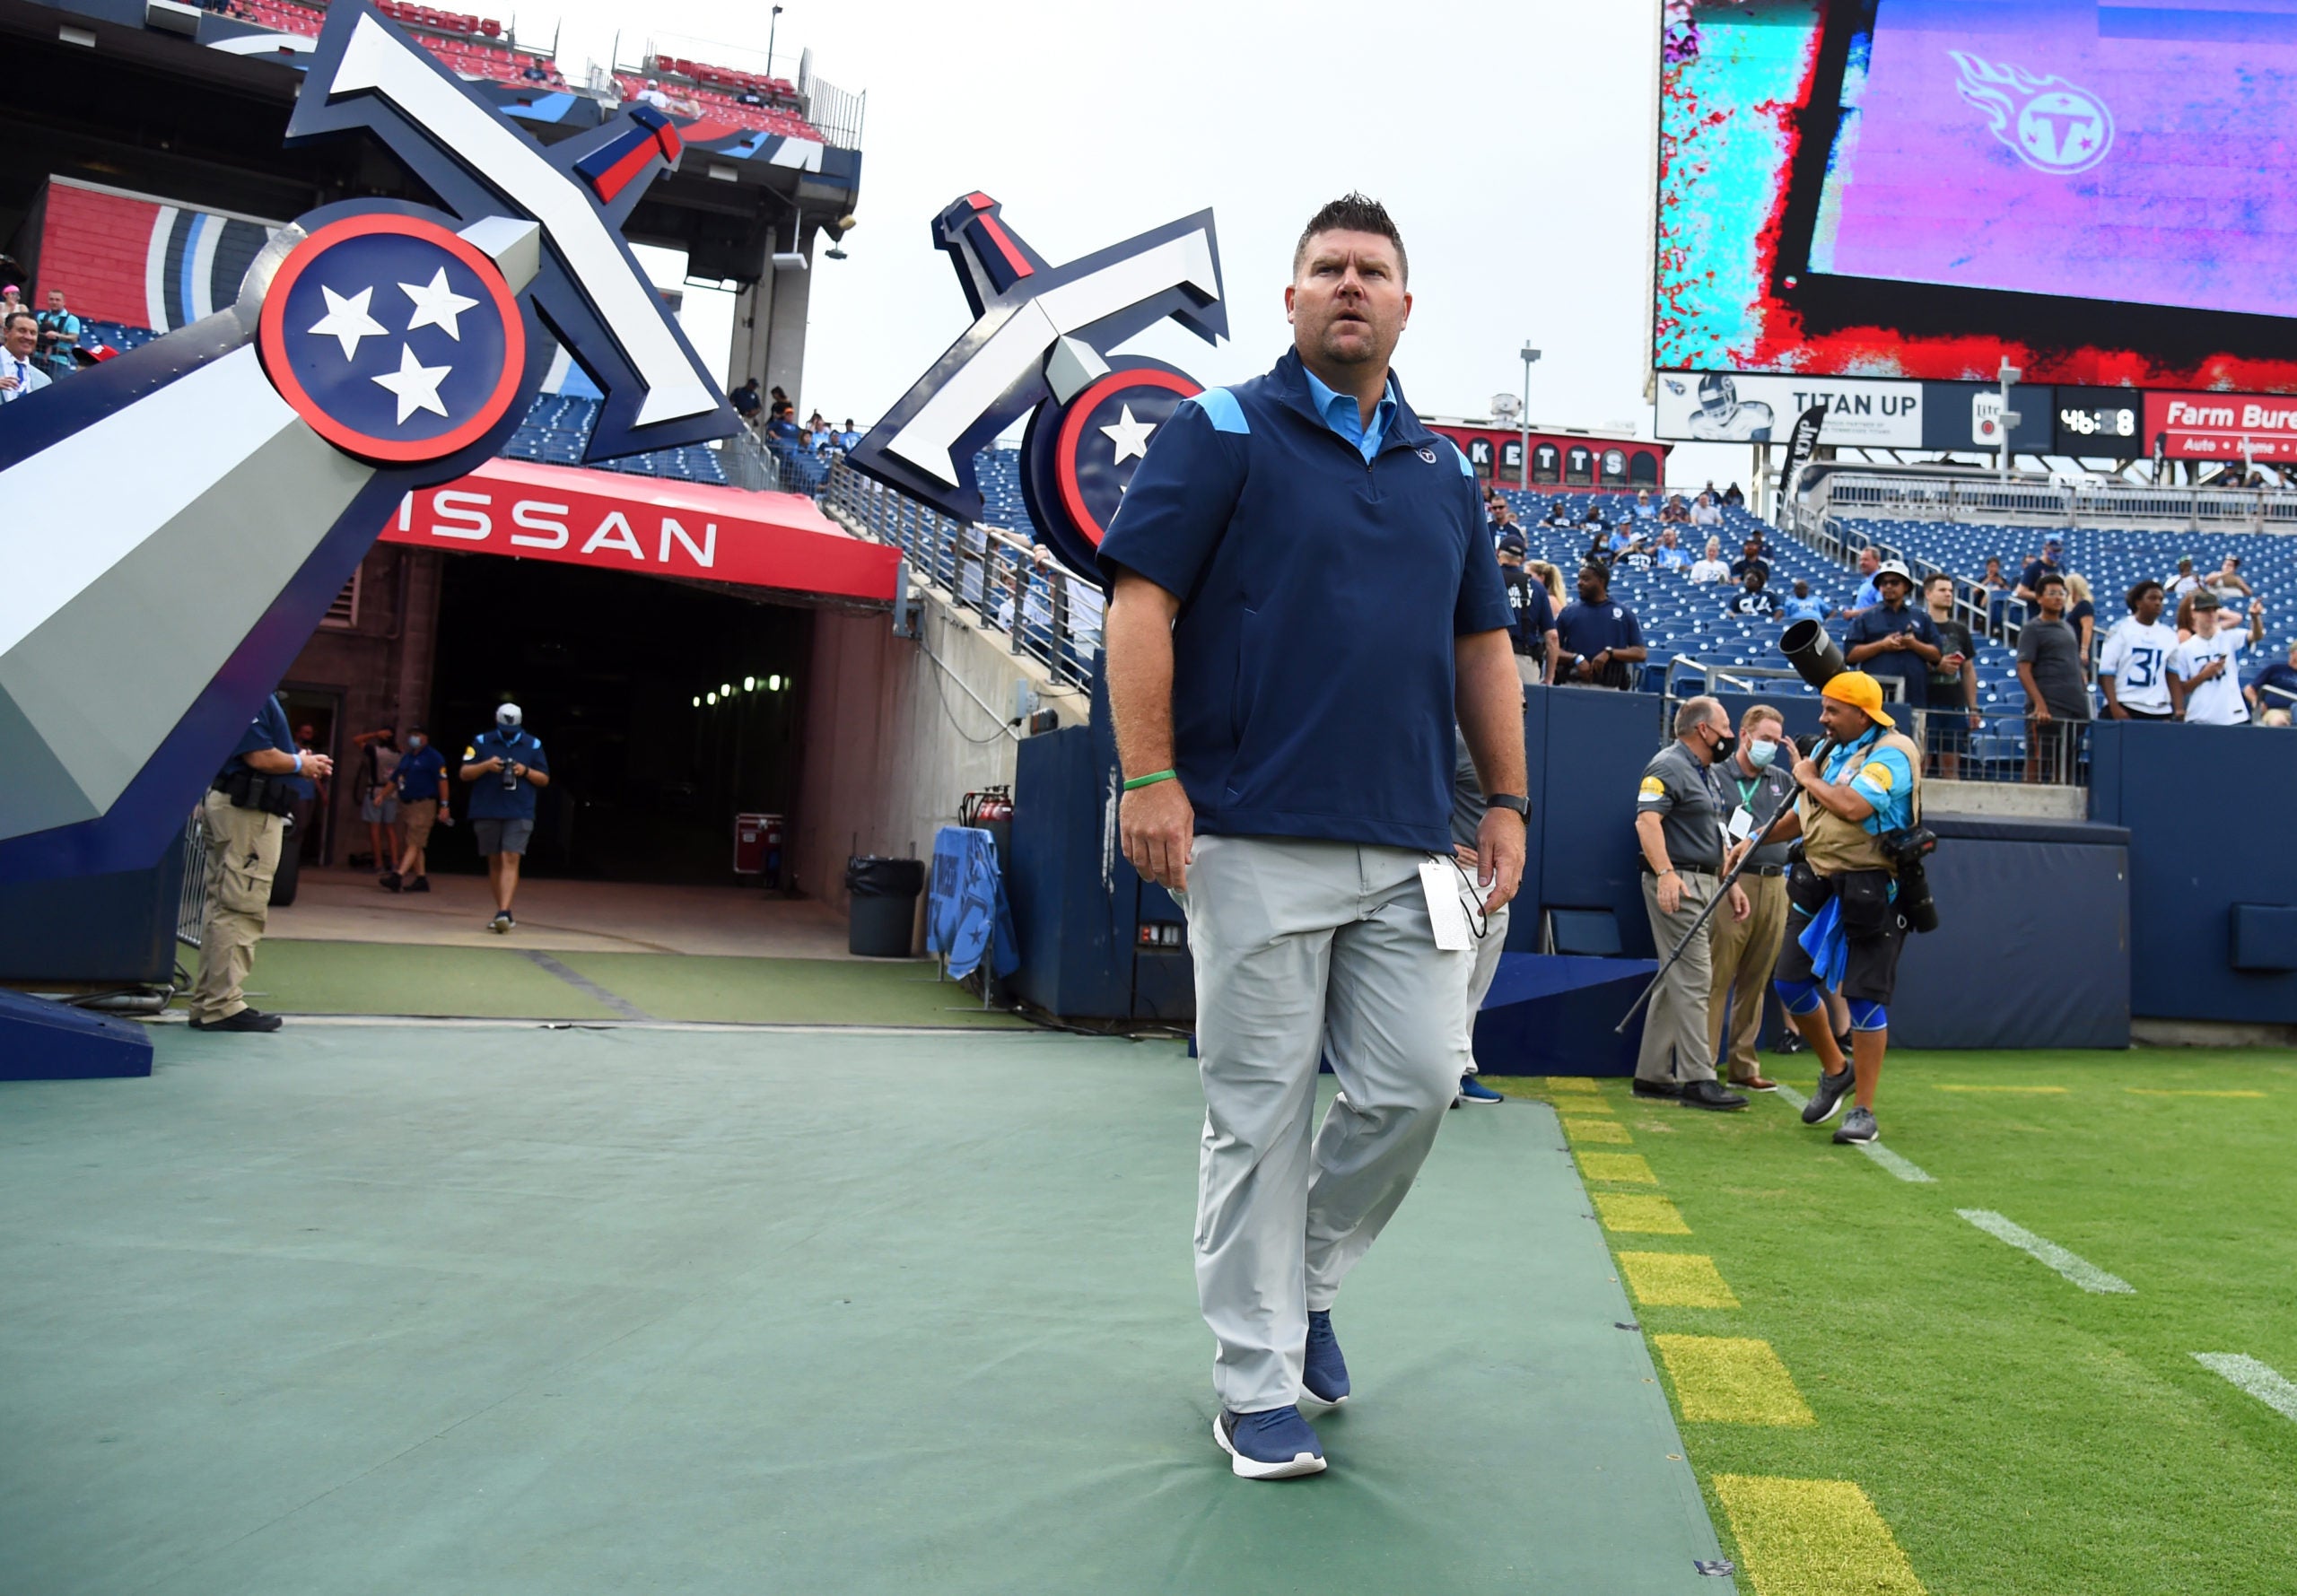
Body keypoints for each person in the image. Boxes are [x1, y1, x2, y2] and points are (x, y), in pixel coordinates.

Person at [1097, 192, 1526, 1483]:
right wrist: (1150, 775)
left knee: (1414, 1083)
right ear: (1291, 299)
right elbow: (1141, 601)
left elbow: (1483, 646)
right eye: (1327, 267)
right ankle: (1252, 1380)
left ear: (1405, 303)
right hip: (1251, 835)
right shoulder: (1218, 427)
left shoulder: (1444, 467)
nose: (1351, 284)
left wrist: (1505, 799)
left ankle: (1310, 1283)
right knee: (1257, 1115)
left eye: (1373, 269)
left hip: (1407, 843)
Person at [1729, 671, 1921, 1147]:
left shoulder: (1892, 752)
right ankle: (1836, 1070)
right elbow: (1804, 815)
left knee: (1863, 999)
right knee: (1789, 982)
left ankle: (1864, 1110)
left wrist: (1809, 777)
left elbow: (1853, 806)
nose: (1823, 718)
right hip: (1819, 883)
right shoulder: (1830, 751)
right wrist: (1753, 840)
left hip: (1875, 889)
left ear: (1862, 714)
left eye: (1832, 710)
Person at [1631, 695, 1750, 1112]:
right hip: (1679, 879)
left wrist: (1727, 881)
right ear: (1703, 730)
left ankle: (1653, 1073)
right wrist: (1665, 873)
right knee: (1696, 977)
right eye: (1726, 727)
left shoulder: (1707, 772)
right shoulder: (1668, 765)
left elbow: (1715, 831)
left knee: (1675, 977)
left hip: (1703, 878)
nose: (1730, 736)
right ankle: (1699, 1077)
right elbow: (1647, 821)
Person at [190, 692, 332, 1032]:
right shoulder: (251, 693)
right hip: (246, 812)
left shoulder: (246, 691)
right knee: (240, 905)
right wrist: (301, 764)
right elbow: (259, 757)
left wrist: (294, 760)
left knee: (223, 903)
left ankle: (209, 1000)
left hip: (236, 806)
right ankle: (222, 1004)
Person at [1705, 705, 1797, 1094]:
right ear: (1744, 736)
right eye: (1765, 740)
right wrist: (1727, 875)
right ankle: (1702, 1064)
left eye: (1776, 741)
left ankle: (1744, 1064)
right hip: (1732, 880)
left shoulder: (1782, 779)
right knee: (1718, 976)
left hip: (1776, 884)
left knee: (1756, 979)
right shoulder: (1717, 774)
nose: (1771, 748)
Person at [1451, 727, 1513, 1108]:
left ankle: (1461, 1071)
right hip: (1451, 876)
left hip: (1492, 879)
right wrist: (1439, 840)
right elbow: (1417, 794)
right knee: (1451, 977)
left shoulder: (1506, 750)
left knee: (1475, 983)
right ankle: (1442, 1074)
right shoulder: (1455, 740)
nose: (1517, 708)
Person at [460, 702, 551, 931]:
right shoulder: (481, 741)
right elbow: (464, 772)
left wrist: (526, 771)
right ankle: (501, 908)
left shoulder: (533, 744)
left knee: (511, 856)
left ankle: (504, 911)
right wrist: (486, 766)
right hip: (487, 808)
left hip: (519, 809)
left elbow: (545, 779)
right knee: (494, 860)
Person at [2016, 573, 2091, 779]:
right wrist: (2040, 705)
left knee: (2064, 765)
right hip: (2047, 710)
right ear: (2039, 598)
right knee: (2037, 763)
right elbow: (2023, 669)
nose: (2058, 598)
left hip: (2073, 709)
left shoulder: (2067, 627)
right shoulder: (2033, 629)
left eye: (2061, 593)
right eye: (2052, 593)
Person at [1845, 559, 1942, 717]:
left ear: (1906, 586)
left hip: (1914, 699)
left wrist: (1914, 645)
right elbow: (1850, 655)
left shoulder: (1921, 618)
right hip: (1875, 701)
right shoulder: (1866, 618)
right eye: (1884, 583)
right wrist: (1882, 645)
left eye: (1894, 582)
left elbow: (1937, 654)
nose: (1888, 586)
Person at [2172, 590, 2266, 727]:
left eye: (2214, 610)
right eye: (2205, 610)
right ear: (2194, 614)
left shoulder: (2230, 638)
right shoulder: (2185, 649)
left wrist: (2255, 618)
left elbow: (2256, 636)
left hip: (2233, 715)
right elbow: (2181, 689)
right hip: (2200, 716)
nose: (2210, 614)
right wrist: (2204, 675)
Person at [1921, 573, 1979, 777]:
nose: (1948, 595)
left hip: (1953, 705)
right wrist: (1937, 666)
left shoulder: (1960, 630)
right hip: (1924, 703)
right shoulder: (1919, 626)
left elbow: (1969, 670)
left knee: (1951, 763)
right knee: (1921, 761)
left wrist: (1973, 708)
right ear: (1928, 594)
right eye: (1942, 590)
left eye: (1950, 591)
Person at [2099, 580, 2180, 722]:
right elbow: (2106, 672)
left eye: (2161, 599)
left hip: (2158, 709)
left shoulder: (2169, 635)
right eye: (2152, 598)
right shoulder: (2120, 629)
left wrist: (2179, 708)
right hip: (2126, 704)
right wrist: (2114, 707)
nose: (2158, 603)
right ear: (2138, 602)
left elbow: (2172, 674)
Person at [1555, 563, 1646, 688]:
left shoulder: (1624, 613)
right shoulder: (1568, 612)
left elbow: (1640, 653)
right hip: (1572, 685)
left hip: (1610, 689)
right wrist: (1576, 658)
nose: (1579, 583)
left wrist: (1610, 653)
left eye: (1585, 579)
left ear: (1601, 581)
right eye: (1579, 578)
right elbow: (1551, 650)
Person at [385, 727, 450, 892]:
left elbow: (442, 781)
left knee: (414, 841)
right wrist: (381, 796)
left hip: (424, 805)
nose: (413, 738)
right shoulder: (407, 757)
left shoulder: (433, 757)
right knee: (416, 843)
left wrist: (444, 805)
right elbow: (395, 779)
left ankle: (398, 876)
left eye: (417, 735)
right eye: (411, 735)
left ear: (425, 738)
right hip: (407, 804)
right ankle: (421, 879)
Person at [1498, 531, 1558, 686]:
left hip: (1486, 656)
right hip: (1524, 663)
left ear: (1498, 553)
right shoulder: (1537, 588)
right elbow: (1552, 637)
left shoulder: (1485, 579)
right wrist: (1549, 677)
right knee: (1524, 709)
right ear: (1522, 559)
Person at [351, 727, 400, 878]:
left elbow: (356, 740)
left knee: (375, 829)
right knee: (390, 829)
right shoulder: (399, 753)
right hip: (392, 793)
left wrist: (374, 734)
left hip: (376, 792)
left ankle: (378, 864)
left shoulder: (375, 751)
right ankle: (395, 863)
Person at [1, 310, 52, 403]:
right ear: (6, 332)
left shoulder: (44, 382)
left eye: (33, 333)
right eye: (22, 331)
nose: (28, 337)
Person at [34, 288, 81, 380]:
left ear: (64, 302)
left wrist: (57, 335)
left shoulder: (72, 320)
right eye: (51, 299)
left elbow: (74, 338)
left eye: (57, 300)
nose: (54, 302)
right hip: (37, 357)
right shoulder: (41, 316)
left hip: (58, 361)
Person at [2248, 639, 2297, 722]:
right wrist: (2256, 702)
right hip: (2277, 711)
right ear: (2292, 652)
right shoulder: (2276, 669)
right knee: (2279, 721)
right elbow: (2249, 689)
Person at [2013, 537, 2064, 613]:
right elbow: (2020, 592)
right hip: (2039, 615)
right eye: (2054, 550)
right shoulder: (2034, 567)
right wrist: (2043, 596)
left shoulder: (2060, 567)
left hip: (2058, 616)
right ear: (2045, 549)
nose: (2056, 553)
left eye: (2059, 550)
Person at [2062, 572, 2097, 667]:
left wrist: (2084, 650)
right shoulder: (2075, 607)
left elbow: (2087, 628)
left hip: (2077, 650)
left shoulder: (2084, 605)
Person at [1844, 546, 1884, 616]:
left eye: (1866, 560)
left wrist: (1854, 613)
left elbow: (1882, 606)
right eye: (1861, 560)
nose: (1862, 563)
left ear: (1877, 561)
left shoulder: (1880, 581)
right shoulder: (1866, 583)